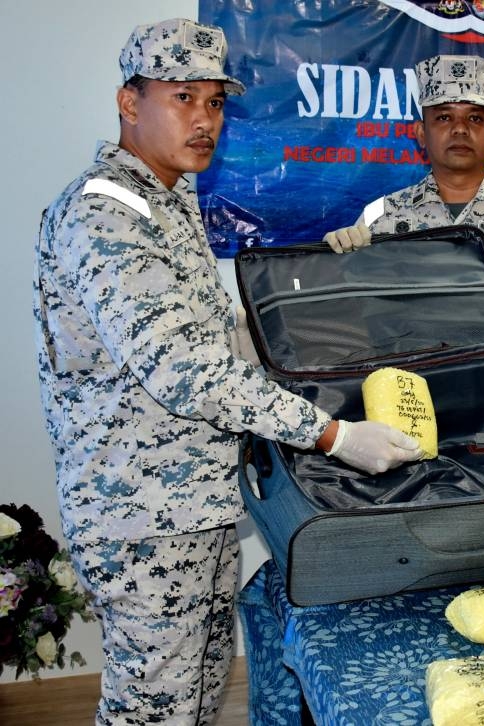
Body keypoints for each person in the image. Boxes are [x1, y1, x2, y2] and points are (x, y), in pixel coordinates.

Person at [32, 18, 421, 725]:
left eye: (215, 102)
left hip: (195, 508)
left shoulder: (169, 199)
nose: (205, 119)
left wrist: (317, 315)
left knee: (200, 698)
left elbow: (214, 338)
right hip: (142, 518)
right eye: (183, 97)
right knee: (153, 711)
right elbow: (183, 368)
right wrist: (331, 434)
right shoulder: (106, 214)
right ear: (129, 101)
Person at [323, 53, 484, 352]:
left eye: (475, 118)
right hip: (411, 390)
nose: (460, 129)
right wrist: (337, 267)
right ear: (421, 133)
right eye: (444, 117)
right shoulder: (381, 219)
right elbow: (349, 331)